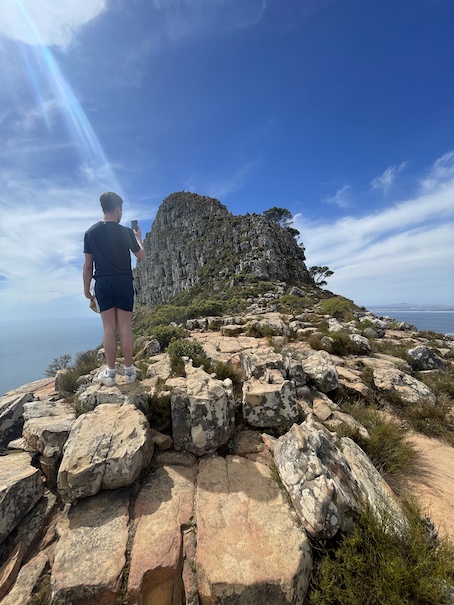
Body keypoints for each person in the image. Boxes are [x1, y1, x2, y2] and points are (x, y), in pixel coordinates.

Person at [83, 192, 145, 386]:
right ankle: (129, 372)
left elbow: (87, 266)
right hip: (124, 282)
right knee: (125, 326)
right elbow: (141, 256)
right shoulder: (126, 232)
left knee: (109, 328)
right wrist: (139, 238)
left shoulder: (90, 233)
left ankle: (110, 374)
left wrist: (87, 290)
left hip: (102, 283)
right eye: (121, 210)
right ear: (117, 208)